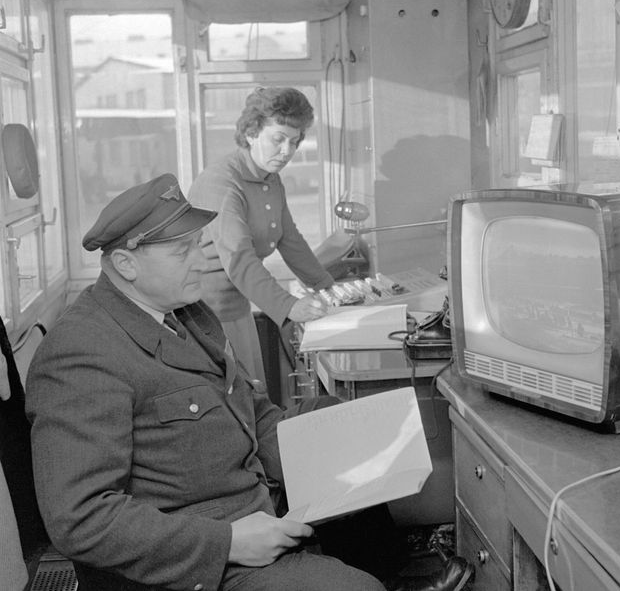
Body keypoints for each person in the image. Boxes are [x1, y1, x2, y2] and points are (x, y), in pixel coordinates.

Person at [24, 174, 387, 591]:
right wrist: (228, 543)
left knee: (359, 447)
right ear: (126, 263)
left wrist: (338, 432)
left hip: (253, 509)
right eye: (183, 251)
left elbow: (253, 415)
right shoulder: (82, 353)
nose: (202, 260)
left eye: (199, 242)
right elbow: (81, 519)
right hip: (201, 563)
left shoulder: (188, 313)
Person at [188, 87, 334, 382]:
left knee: (251, 396)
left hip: (237, 308)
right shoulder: (222, 183)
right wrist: (289, 305)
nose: (287, 152)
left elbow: (289, 240)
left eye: (294, 142)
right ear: (252, 133)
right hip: (206, 316)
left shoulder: (270, 178)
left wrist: (327, 288)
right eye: (278, 139)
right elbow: (239, 259)